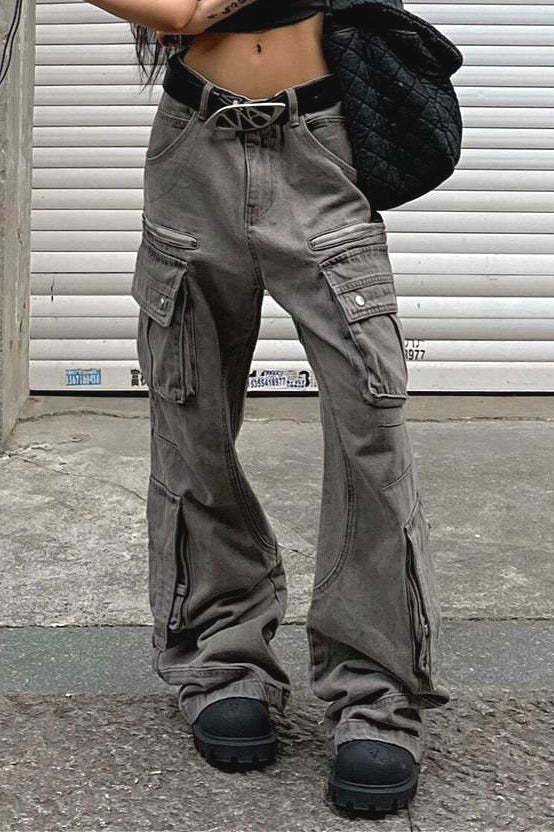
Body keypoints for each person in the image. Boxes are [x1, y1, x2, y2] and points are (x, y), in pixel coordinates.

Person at [88, 0, 451, 816]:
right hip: (195, 142)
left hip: (321, 140)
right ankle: (225, 662)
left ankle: (375, 695)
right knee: (192, 418)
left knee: (370, 426)